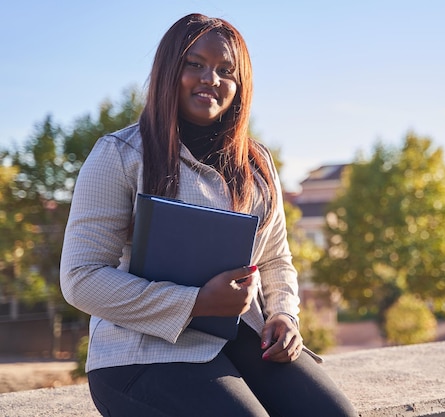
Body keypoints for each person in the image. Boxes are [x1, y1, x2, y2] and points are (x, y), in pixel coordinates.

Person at [60, 13, 357, 417]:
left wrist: (284, 314)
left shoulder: (258, 163)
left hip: (241, 339)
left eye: (225, 70)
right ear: (169, 69)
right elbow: (81, 279)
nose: (211, 79)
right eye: (194, 64)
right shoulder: (120, 155)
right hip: (138, 352)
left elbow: (274, 258)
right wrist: (196, 302)